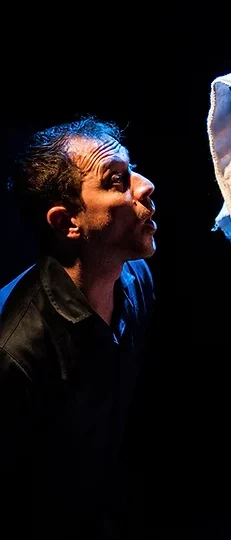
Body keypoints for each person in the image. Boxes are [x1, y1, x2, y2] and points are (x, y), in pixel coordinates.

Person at [0, 116, 157, 539]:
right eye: (116, 181)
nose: (145, 186)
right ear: (66, 222)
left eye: (132, 170)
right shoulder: (15, 350)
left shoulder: (135, 280)